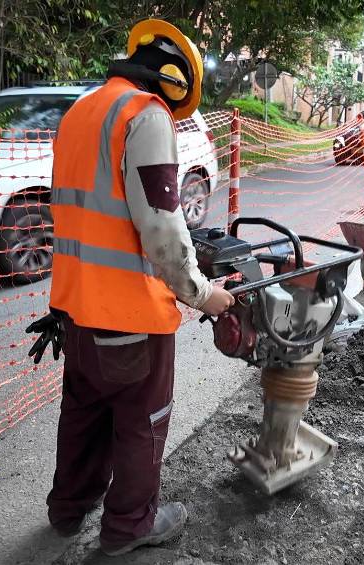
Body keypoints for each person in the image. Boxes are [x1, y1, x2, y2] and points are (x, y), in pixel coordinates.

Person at [24, 19, 235, 556]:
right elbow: (161, 224)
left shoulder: (83, 111)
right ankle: (130, 525)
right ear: (176, 80)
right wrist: (202, 292)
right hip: (131, 316)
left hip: (76, 308)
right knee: (142, 421)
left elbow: (86, 213)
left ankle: (68, 510)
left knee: (84, 412)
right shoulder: (146, 114)